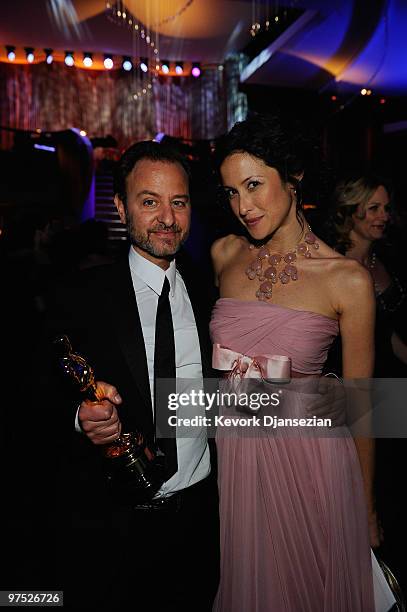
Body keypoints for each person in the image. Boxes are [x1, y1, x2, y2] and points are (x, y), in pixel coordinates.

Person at [210, 114, 378, 611]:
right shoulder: (224, 255)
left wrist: (367, 506)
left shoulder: (347, 279)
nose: (243, 206)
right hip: (239, 456)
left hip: (313, 462)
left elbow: (365, 406)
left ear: (294, 175)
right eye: (231, 192)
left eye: (254, 185)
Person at [44, 141, 219, 610]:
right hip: (113, 525)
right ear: (121, 207)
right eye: (149, 201)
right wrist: (80, 418)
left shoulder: (210, 290)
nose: (167, 217)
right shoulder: (79, 295)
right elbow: (34, 396)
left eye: (178, 202)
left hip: (201, 517)